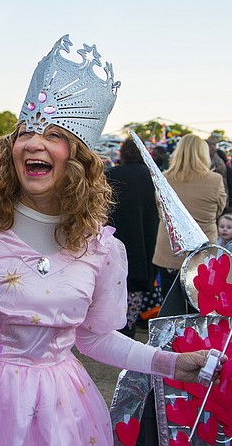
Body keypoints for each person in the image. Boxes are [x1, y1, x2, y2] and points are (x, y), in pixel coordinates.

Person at [0, 36, 215, 445]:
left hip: (58, 412)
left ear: (77, 158)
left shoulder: (101, 249)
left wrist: (170, 364)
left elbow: (94, 336)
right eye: (26, 131)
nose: (34, 142)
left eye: (53, 134)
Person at [153, 134, 227, 298]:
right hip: (203, 250)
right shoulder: (215, 180)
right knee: (201, 303)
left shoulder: (163, 178)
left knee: (171, 306)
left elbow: (161, 213)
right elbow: (219, 210)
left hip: (170, 250)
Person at [106, 136, 160, 338]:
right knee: (137, 282)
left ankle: (114, 321)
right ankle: (129, 324)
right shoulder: (152, 175)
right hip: (145, 234)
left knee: (114, 280)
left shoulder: (111, 174)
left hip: (117, 235)